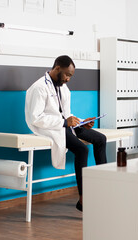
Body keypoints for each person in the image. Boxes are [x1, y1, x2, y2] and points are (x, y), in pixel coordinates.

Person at [25, 55, 107, 212]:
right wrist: (64, 123)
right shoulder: (39, 88)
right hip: (49, 128)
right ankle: (83, 199)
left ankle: (103, 189)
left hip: (62, 124)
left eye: (71, 76)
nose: (69, 79)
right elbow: (35, 118)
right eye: (67, 74)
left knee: (100, 139)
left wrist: (82, 121)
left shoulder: (63, 88)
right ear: (57, 69)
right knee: (82, 149)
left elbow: (66, 114)